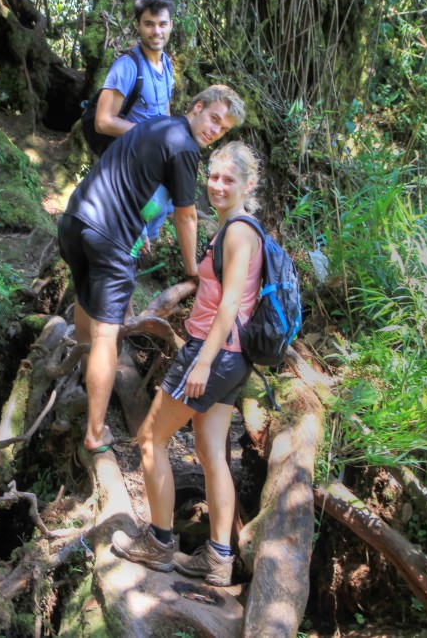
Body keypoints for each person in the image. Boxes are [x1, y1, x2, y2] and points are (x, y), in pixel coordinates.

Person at [109, 141, 266, 587]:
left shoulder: (238, 231)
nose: (217, 185)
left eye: (228, 179)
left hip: (213, 354)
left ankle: (158, 544)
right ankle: (217, 558)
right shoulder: (235, 227)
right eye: (213, 177)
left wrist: (202, 363)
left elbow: (231, 304)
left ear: (247, 184)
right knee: (212, 453)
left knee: (149, 439)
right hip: (233, 357)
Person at [58, 86, 246, 455]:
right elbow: (186, 214)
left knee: (86, 300)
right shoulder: (186, 149)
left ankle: (79, 379)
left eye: (222, 129)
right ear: (196, 108)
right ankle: (95, 433)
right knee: (107, 335)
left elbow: (132, 179)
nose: (214, 130)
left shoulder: (155, 125)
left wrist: (140, 228)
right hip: (109, 237)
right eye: (213, 119)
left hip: (75, 219)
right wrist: (194, 269)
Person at [94, 0, 176, 255]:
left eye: (162, 24)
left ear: (171, 25)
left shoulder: (167, 65)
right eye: (149, 24)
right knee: (127, 240)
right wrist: (149, 133)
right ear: (138, 26)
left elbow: (164, 109)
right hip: (129, 169)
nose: (157, 31)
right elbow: (103, 121)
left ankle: (133, 255)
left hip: (156, 171)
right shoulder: (127, 66)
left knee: (150, 223)